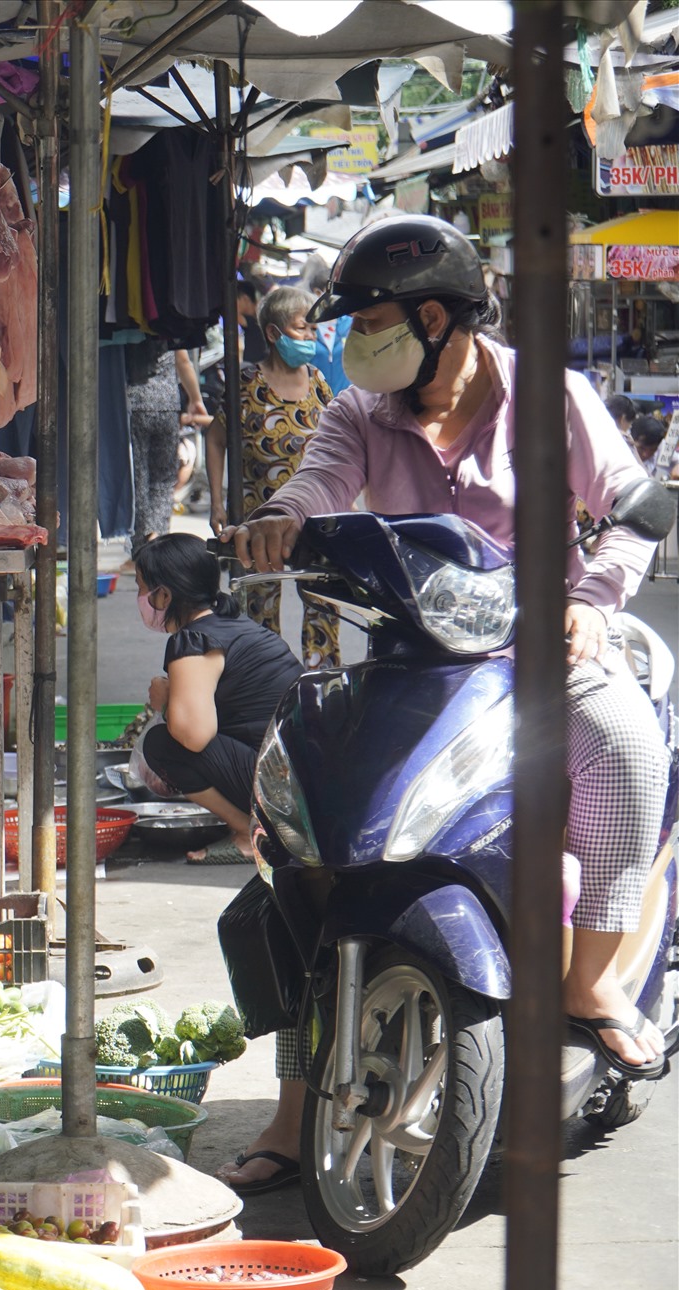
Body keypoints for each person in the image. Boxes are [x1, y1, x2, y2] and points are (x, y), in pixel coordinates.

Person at [220, 213, 666, 1192]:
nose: (353, 341)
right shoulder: (356, 413)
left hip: (537, 653)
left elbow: (637, 507)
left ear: (433, 317)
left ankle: (590, 981)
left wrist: (590, 603)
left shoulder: (550, 396)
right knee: (296, 841)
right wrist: (273, 528)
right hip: (404, 664)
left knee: (626, 739)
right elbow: (310, 489)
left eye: (369, 319)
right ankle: (296, 1101)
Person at [132, 533, 300, 863]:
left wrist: (165, 701)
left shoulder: (194, 639)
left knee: (161, 745)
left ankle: (247, 833)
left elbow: (194, 736)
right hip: (303, 775)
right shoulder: (235, 625)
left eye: (141, 587)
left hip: (286, 785)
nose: (139, 596)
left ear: (164, 594)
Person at [205, 285, 343, 668]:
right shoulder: (247, 383)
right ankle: (269, 686)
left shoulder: (317, 381)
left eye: (313, 330)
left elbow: (338, 447)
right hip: (259, 522)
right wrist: (217, 501)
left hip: (316, 522)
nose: (311, 338)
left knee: (323, 606)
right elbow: (215, 440)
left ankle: (323, 688)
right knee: (260, 611)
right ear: (273, 333)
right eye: (303, 329)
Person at [124, 344, 211, 545]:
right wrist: (195, 399)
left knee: (139, 479)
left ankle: (141, 544)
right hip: (168, 407)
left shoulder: (132, 329)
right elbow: (183, 362)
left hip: (135, 406)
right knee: (164, 479)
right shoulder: (169, 328)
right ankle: (159, 537)